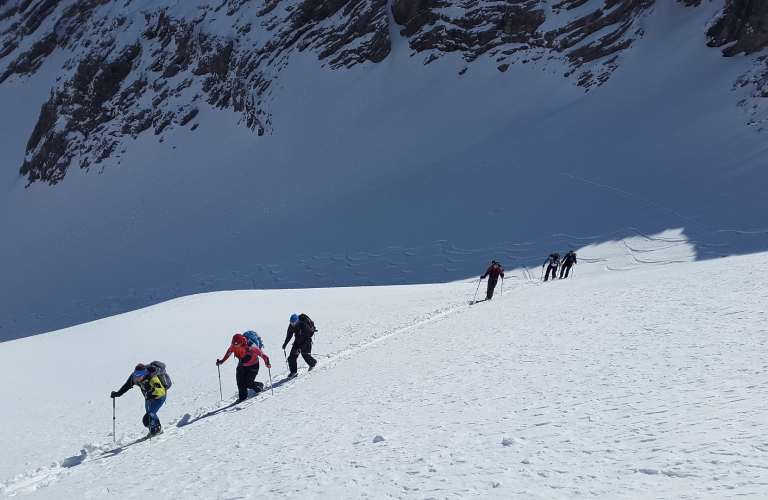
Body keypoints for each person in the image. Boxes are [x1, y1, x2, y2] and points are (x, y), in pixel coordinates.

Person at [111, 362, 169, 437]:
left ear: (144, 375)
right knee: (150, 414)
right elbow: (128, 385)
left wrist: (151, 389)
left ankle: (157, 429)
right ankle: (153, 430)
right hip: (148, 397)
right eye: (135, 375)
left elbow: (162, 392)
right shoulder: (134, 377)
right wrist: (118, 394)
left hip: (159, 399)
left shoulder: (153, 379)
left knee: (147, 420)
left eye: (139, 376)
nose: (137, 378)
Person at [217, 333, 271, 402]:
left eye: (236, 344)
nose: (234, 346)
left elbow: (262, 354)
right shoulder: (234, 345)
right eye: (233, 344)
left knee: (248, 384)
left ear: (241, 342)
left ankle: (259, 386)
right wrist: (222, 361)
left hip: (253, 366)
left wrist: (267, 362)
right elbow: (229, 351)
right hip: (242, 365)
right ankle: (242, 399)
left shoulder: (250, 345)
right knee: (240, 383)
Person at [282, 313, 317, 378]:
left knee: (305, 356)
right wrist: (285, 343)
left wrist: (300, 349)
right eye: (291, 322)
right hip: (297, 341)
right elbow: (289, 335)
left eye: (293, 322)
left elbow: (307, 340)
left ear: (297, 321)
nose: (292, 324)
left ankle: (313, 364)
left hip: (306, 343)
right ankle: (293, 373)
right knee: (291, 358)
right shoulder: (291, 326)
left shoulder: (304, 326)